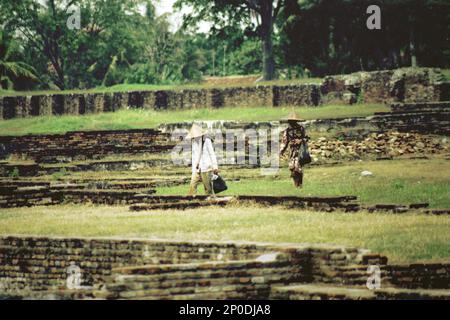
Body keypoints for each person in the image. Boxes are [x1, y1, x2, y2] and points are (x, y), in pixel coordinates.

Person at [186, 124, 219, 196]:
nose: (195, 136)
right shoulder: (193, 141)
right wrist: (193, 170)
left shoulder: (206, 140)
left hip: (206, 168)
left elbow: (212, 153)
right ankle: (192, 201)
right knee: (192, 185)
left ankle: (210, 203)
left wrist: (215, 167)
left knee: (208, 189)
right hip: (197, 169)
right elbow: (194, 156)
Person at [280, 112, 309, 188]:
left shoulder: (301, 129)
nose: (290, 122)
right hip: (292, 151)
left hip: (300, 150)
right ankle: (296, 184)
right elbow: (284, 141)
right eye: (289, 121)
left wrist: (300, 140)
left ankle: (300, 184)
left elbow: (306, 138)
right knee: (292, 167)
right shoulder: (287, 131)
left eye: (292, 121)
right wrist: (282, 150)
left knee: (297, 167)